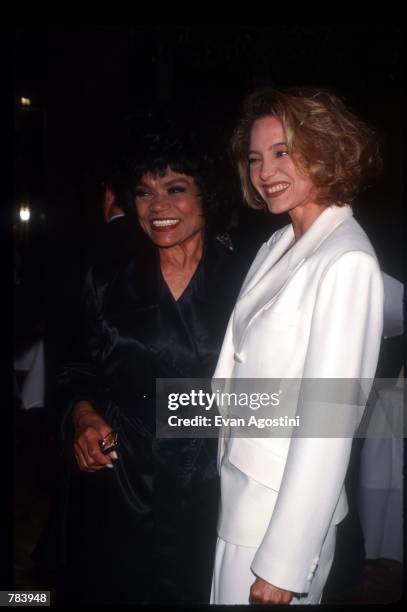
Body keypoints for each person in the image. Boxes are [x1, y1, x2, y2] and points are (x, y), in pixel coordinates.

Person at [49, 123, 249, 605]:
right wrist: (83, 414)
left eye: (175, 189)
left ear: (208, 194)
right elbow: (76, 369)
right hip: (121, 477)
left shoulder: (248, 282)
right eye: (144, 193)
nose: (157, 207)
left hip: (212, 479)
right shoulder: (106, 279)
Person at [210, 88, 384, 605]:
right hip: (242, 496)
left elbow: (329, 420)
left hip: (279, 517)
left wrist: (287, 561)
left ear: (325, 149)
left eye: (282, 151)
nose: (264, 172)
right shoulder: (279, 243)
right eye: (256, 158)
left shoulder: (346, 260)